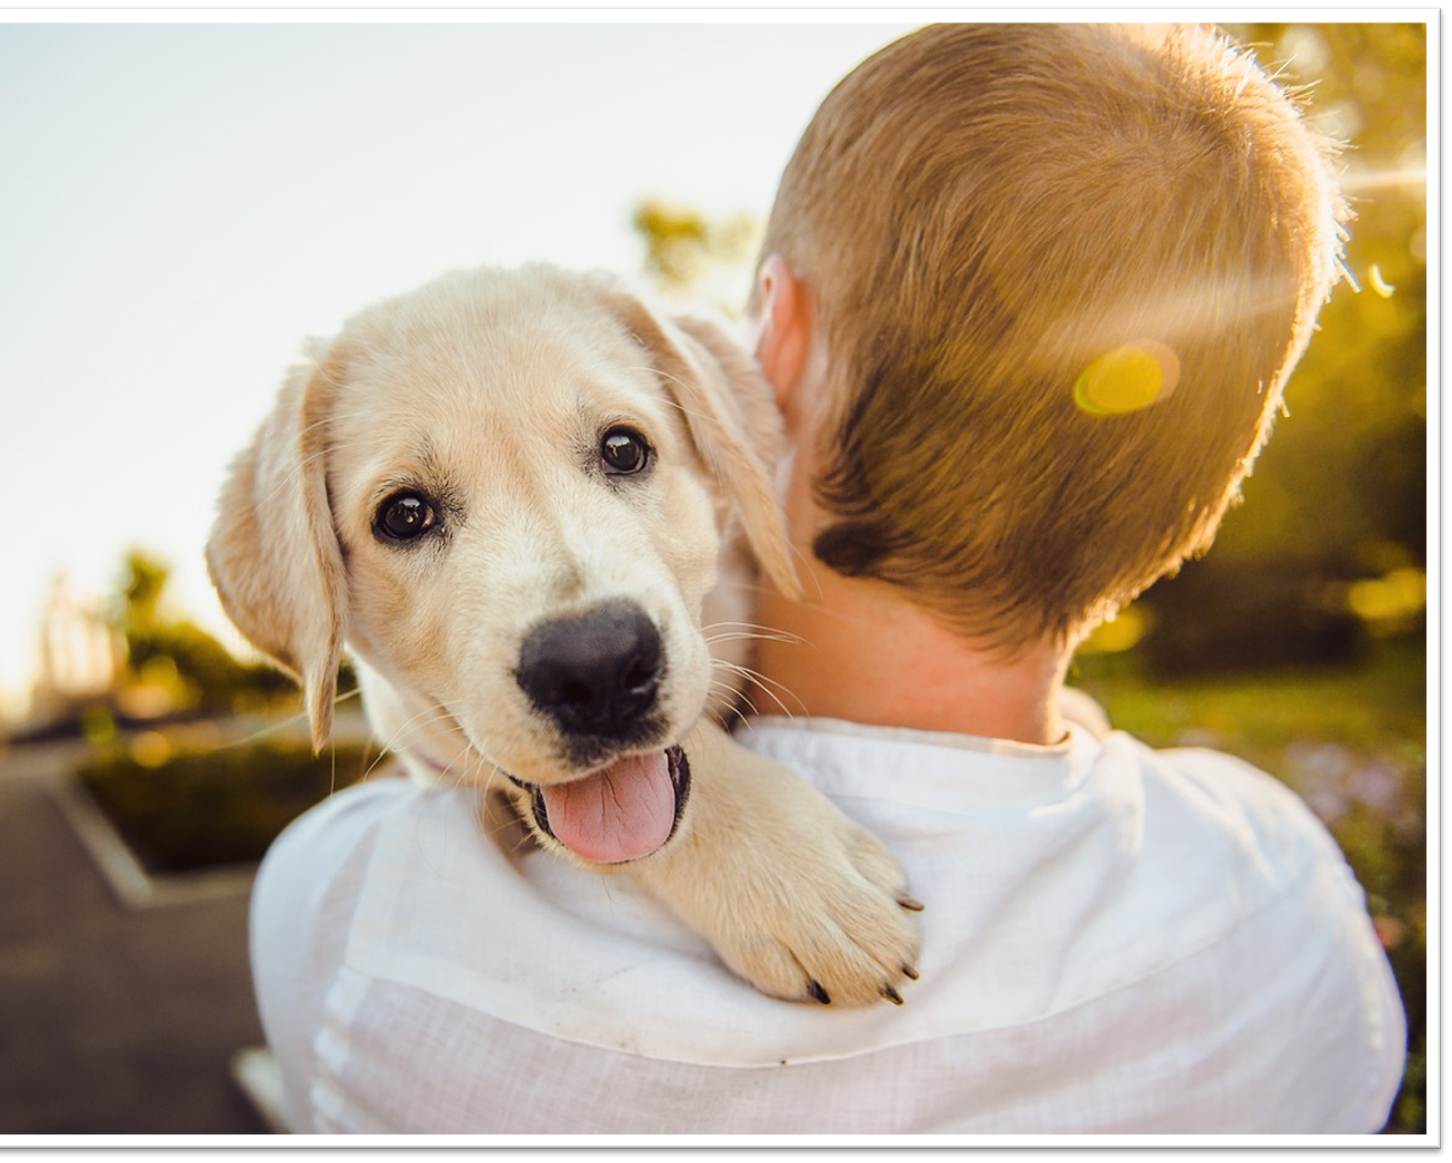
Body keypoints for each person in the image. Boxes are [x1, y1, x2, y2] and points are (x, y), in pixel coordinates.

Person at [248, 24, 1406, 1133]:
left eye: (620, 451)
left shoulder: (354, 922)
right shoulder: (1282, 885)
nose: (581, 619)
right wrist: (706, 809)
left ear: (771, 352)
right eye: (410, 514)